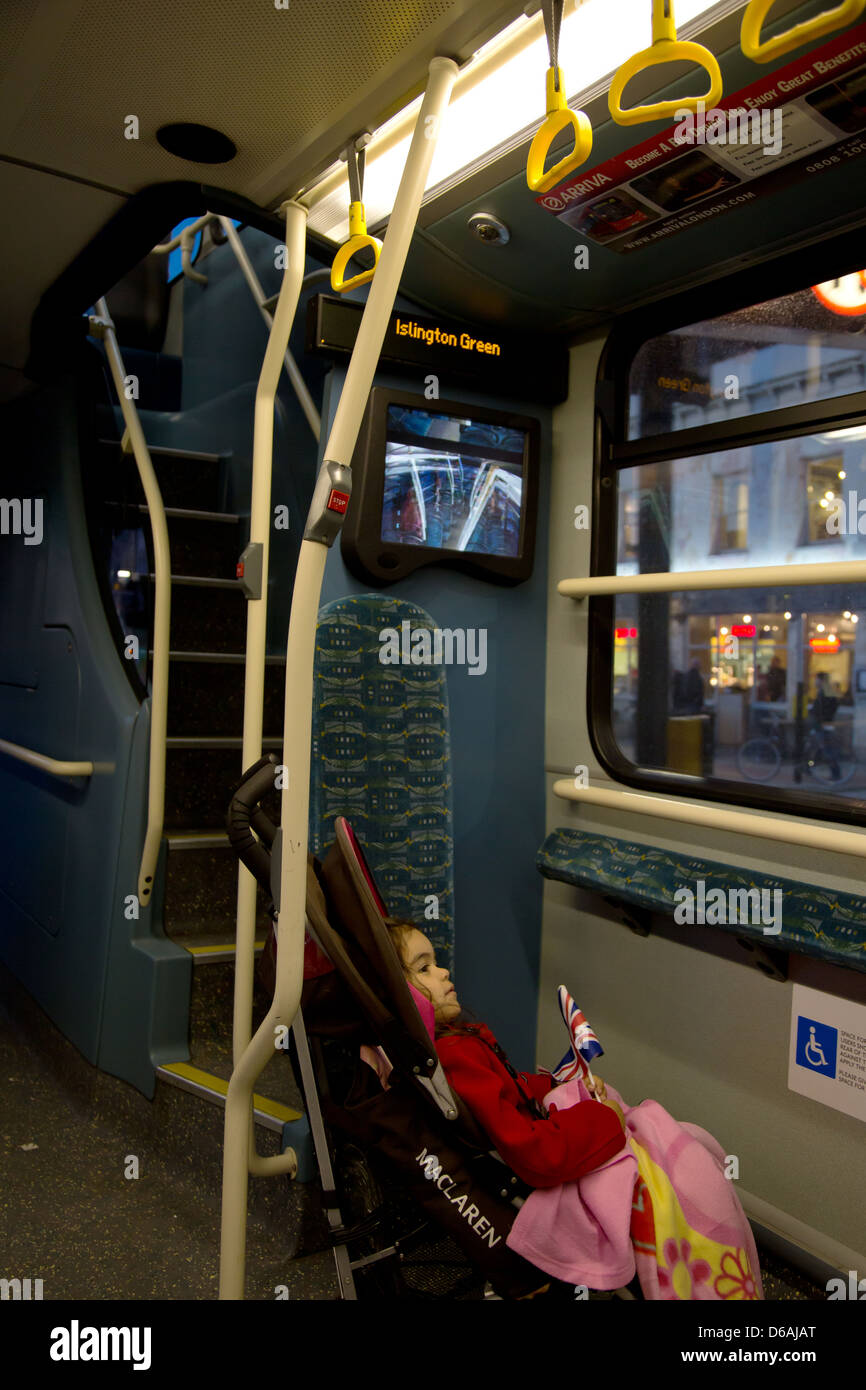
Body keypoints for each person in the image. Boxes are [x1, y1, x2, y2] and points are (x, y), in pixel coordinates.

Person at [385, 919, 627, 1190]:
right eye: (424, 968)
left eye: (437, 962)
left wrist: (557, 1085)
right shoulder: (455, 1055)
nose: (443, 972)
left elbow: (508, 1091)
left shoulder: (457, 1044)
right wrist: (607, 1121)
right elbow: (532, 1152)